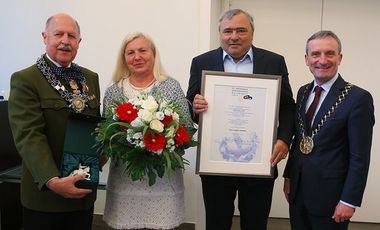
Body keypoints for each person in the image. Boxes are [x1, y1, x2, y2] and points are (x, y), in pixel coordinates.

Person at [186, 9, 295, 230]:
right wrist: (195, 107)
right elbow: (189, 108)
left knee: (255, 223)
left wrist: (283, 140)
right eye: (228, 30)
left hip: (259, 161)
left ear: (252, 33)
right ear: (220, 33)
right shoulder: (201, 62)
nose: (234, 36)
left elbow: (287, 107)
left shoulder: (273, 62)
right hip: (216, 161)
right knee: (216, 222)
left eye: (241, 30)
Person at [8, 13, 101, 230]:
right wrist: (52, 180)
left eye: (71, 36)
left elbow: (95, 126)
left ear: (79, 41)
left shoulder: (90, 78)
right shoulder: (26, 79)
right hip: (46, 197)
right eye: (58, 34)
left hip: (83, 194)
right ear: (45, 37)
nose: (65, 41)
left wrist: (101, 157)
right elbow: (29, 136)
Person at [283, 30, 375, 230]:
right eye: (315, 54)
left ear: (340, 58)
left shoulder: (358, 98)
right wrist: (289, 176)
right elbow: (299, 140)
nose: (322, 60)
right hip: (298, 193)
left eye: (329, 53)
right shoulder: (303, 92)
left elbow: (360, 157)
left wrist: (349, 200)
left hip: (332, 198)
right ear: (306, 59)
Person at [102, 32, 193, 230]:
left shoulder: (170, 86)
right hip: (124, 181)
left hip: (162, 183)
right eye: (130, 52)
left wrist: (164, 142)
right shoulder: (113, 91)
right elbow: (106, 135)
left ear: (153, 54)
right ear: (124, 58)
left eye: (143, 50)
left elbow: (185, 129)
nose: (137, 57)